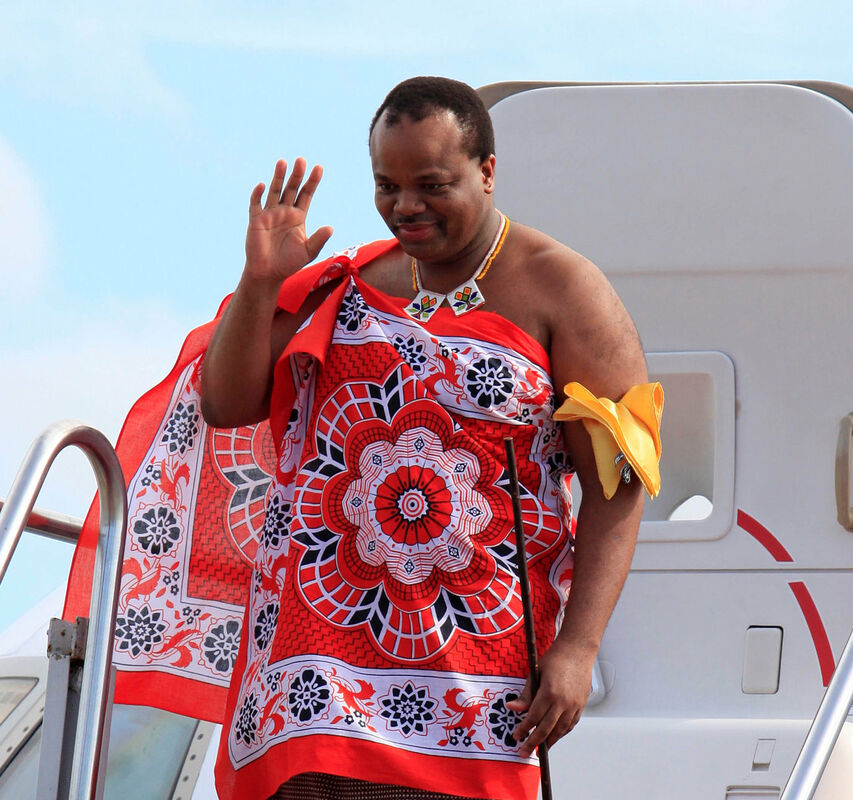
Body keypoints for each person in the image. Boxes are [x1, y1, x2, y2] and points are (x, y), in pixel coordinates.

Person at [66, 76, 661, 800]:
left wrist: (579, 646)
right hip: (306, 681)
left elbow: (618, 484)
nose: (406, 205)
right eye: (387, 185)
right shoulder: (348, 281)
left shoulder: (564, 289)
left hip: (468, 687)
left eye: (431, 184)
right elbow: (226, 403)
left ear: (487, 172)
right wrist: (261, 285)